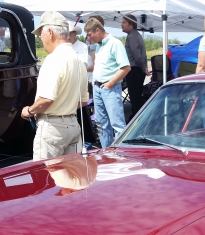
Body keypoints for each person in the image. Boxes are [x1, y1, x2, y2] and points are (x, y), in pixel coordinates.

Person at [21, 11, 86, 160]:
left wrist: (29, 111)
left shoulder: (53, 60)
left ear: (50, 33)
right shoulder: (78, 59)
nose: (40, 38)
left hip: (53, 128)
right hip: (73, 125)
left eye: (41, 34)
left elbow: (46, 99)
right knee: (71, 178)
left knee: (46, 178)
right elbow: (82, 101)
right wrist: (65, 107)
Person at [85, 18, 130, 149]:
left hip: (109, 88)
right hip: (98, 87)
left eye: (89, 34)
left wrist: (111, 83)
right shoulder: (98, 46)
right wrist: (95, 80)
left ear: (97, 30)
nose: (88, 38)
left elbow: (126, 67)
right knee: (101, 123)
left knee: (117, 123)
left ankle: (123, 153)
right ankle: (105, 151)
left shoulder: (115, 43)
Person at [122, 14, 148, 120]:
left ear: (131, 25)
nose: (121, 25)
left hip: (134, 70)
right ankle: (137, 119)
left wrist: (143, 68)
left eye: (124, 22)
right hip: (136, 70)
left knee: (135, 98)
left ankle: (137, 120)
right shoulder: (135, 35)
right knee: (135, 97)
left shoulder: (132, 36)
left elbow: (137, 55)